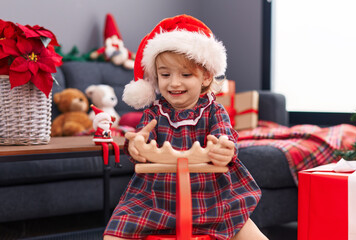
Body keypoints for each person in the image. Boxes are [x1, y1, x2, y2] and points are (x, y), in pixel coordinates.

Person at [104, 14, 267, 240]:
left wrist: (223, 150)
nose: (174, 83)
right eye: (165, 75)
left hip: (210, 196)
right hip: (156, 197)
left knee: (247, 231)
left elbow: (225, 139)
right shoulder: (154, 112)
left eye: (186, 74)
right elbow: (141, 144)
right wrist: (135, 147)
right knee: (116, 230)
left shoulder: (214, 111)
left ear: (206, 77)